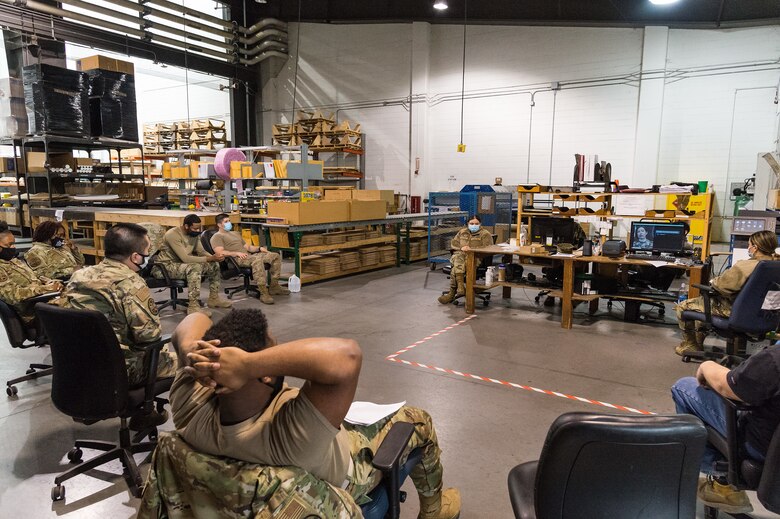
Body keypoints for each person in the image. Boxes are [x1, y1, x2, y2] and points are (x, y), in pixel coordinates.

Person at [169, 309, 461, 519]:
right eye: (269, 353)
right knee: (418, 419)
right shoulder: (289, 435)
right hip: (345, 474)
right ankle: (434, 512)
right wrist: (250, 364)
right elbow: (346, 356)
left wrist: (194, 353)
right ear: (265, 375)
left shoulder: (189, 402)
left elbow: (193, 318)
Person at [55, 222, 177, 389]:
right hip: (120, 369)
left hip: (76, 365)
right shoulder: (131, 283)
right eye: (147, 252)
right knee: (193, 362)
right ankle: (150, 414)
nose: (148, 257)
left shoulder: (79, 276)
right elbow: (149, 336)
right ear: (136, 257)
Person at [671, 343, 780, 514]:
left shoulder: (774, 359)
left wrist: (707, 366)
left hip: (762, 449)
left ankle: (722, 482)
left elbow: (728, 387)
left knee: (683, 387)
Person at [675, 230, 779, 356]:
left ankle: (691, 346)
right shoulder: (775, 265)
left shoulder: (744, 266)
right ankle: (698, 342)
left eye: (749, 245)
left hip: (733, 311)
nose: (748, 247)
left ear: (755, 248)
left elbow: (723, 287)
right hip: (766, 315)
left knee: (684, 306)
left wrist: (714, 281)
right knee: (702, 307)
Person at [154, 214, 231, 317]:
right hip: (165, 266)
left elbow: (201, 251)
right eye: (195, 228)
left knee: (214, 265)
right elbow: (185, 258)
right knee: (195, 267)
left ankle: (214, 298)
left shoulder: (194, 234)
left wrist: (215, 257)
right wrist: (210, 258)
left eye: (199, 228)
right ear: (186, 226)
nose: (198, 230)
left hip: (182, 265)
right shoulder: (172, 234)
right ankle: (193, 307)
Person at [210, 213, 289, 305]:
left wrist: (259, 248)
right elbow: (220, 252)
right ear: (219, 225)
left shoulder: (235, 233)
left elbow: (248, 247)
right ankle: (263, 292)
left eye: (229, 221)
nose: (229, 223)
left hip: (248, 256)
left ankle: (274, 286)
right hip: (236, 259)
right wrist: (236, 253)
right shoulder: (217, 237)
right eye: (226, 222)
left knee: (274, 256)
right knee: (257, 261)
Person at [0, 222, 63, 324]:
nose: (13, 248)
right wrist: (44, 289)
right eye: (9, 245)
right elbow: (12, 295)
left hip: (44, 302)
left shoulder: (13, 261)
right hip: (32, 312)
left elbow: (34, 278)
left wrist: (49, 282)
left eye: (14, 244)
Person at [438, 214, 493, 304]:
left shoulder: (485, 234)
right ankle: (460, 286)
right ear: (467, 223)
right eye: (472, 223)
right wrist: (461, 248)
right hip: (460, 255)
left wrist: (471, 249)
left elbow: (489, 248)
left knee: (455, 267)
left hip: (475, 257)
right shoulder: (462, 232)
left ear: (480, 224)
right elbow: (454, 244)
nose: (474, 225)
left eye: (476, 223)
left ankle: (452, 294)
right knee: (457, 258)